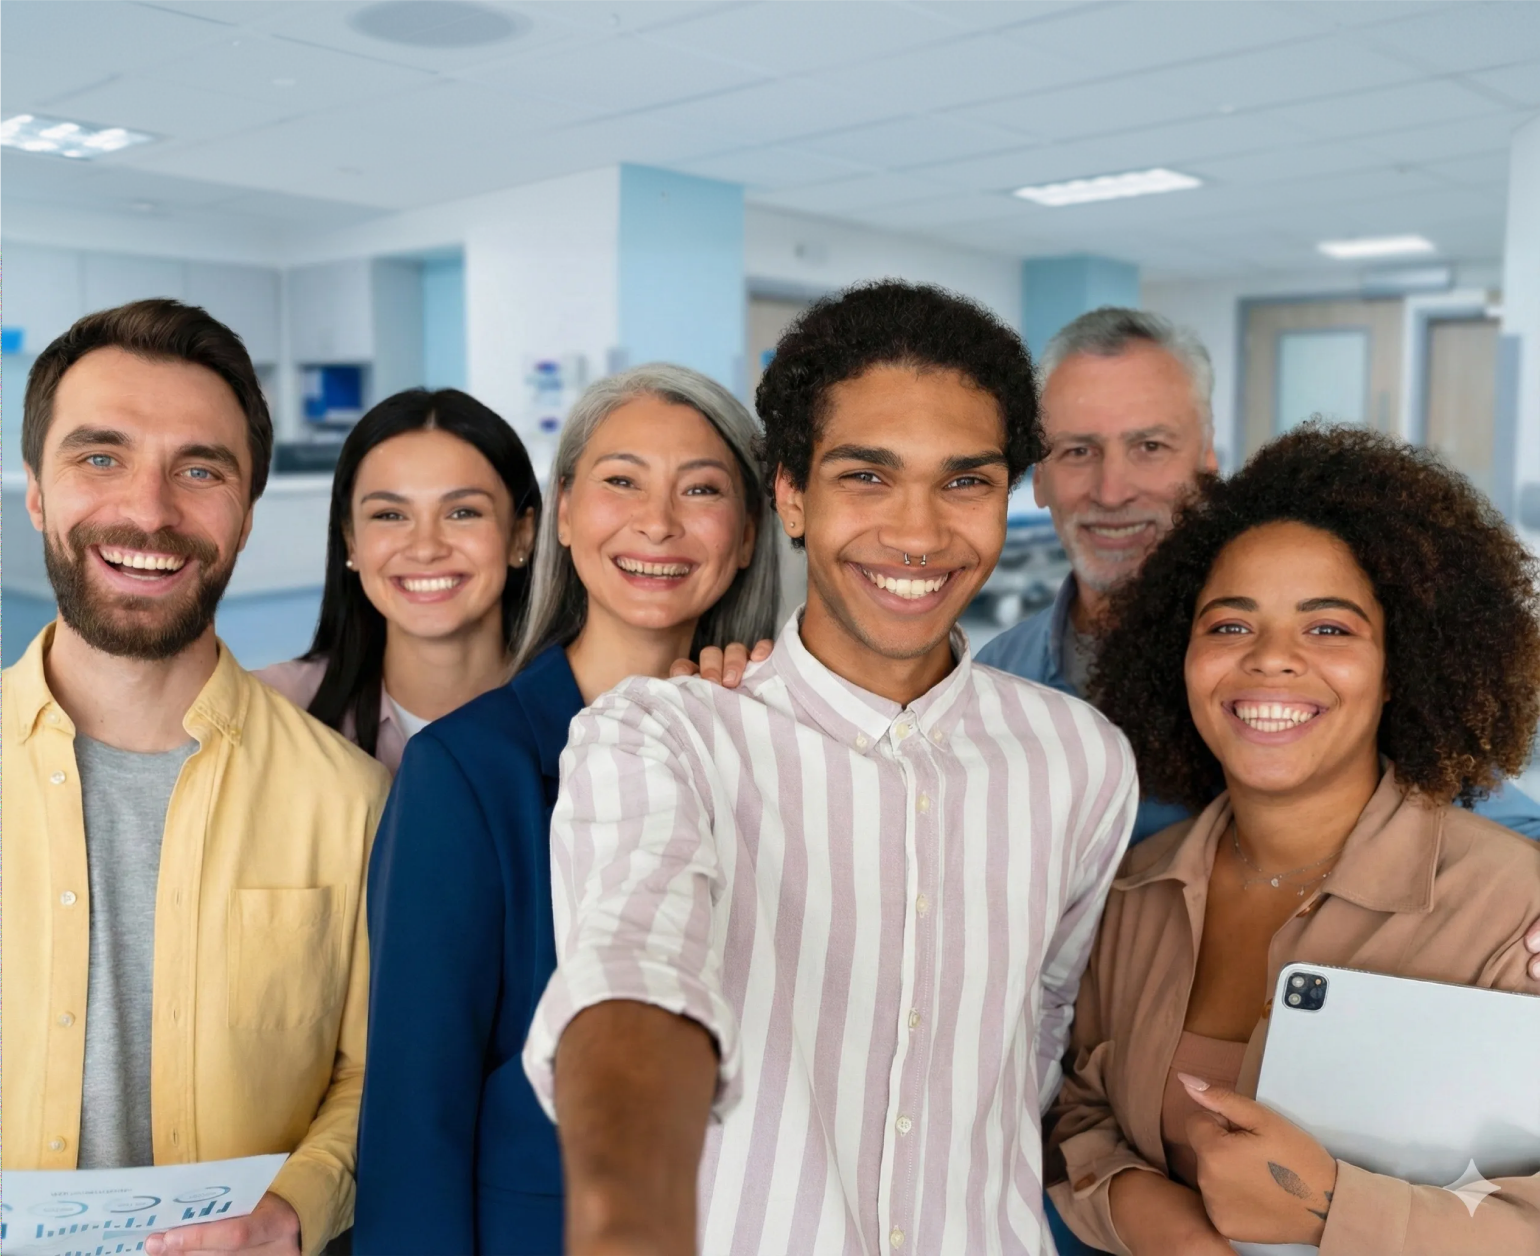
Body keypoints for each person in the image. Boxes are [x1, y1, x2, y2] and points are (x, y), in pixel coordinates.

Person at [523, 281, 1140, 1255]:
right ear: (791, 494)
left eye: (964, 481)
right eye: (866, 476)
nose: (918, 532)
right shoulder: (661, 736)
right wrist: (628, 1224)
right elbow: (631, 974)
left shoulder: (1079, 759)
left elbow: (1035, 1032)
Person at [1048, 424, 1540, 1256]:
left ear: (1401, 667)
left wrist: (1327, 1210)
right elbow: (1081, 1119)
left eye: (1329, 629)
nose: (1271, 660)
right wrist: (1169, 1231)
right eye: (1230, 627)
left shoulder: (1510, 911)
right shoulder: (1130, 892)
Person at [353, 364, 780, 1255]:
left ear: (747, 537)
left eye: (701, 489)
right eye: (621, 481)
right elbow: (415, 1115)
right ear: (566, 514)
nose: (657, 522)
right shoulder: (465, 771)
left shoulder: (778, 750)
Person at [2, 299, 388, 1256]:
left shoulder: (351, 802)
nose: (149, 510)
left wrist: (294, 1209)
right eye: (100, 456)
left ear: (247, 512)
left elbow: (372, 1075)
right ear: (35, 492)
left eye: (201, 469)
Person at [977, 306, 1540, 845]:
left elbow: (1510, 832)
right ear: (1039, 477)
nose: (1112, 490)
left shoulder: (1320, 671)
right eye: (1077, 450)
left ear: (1206, 459)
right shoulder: (993, 678)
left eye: (1150, 446)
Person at [257, 388, 540, 773]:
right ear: (350, 540)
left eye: (462, 512)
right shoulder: (271, 713)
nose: (425, 549)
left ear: (520, 536)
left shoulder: (587, 718)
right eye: (390, 515)